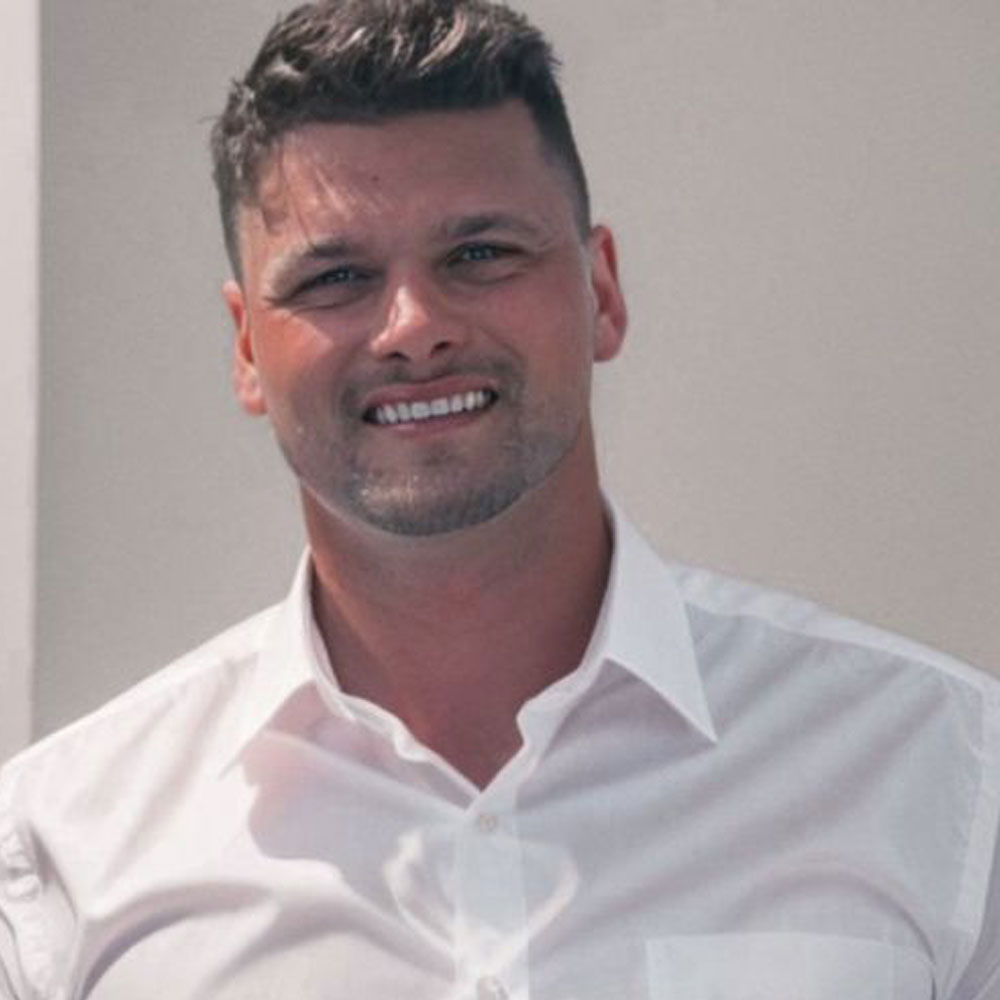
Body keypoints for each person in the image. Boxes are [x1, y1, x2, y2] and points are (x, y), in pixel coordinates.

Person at [1, 0, 997, 997]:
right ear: (246, 349)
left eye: (479, 254)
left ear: (601, 290)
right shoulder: (68, 855)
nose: (414, 327)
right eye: (336, 276)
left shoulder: (941, 773)